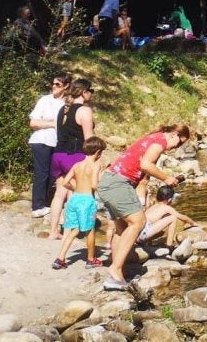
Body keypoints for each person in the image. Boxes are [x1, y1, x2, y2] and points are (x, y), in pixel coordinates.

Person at [95, 124, 189, 290]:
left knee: (121, 229)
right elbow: (146, 164)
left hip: (109, 181)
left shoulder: (153, 138)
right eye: (179, 143)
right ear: (174, 134)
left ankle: (117, 274)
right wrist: (166, 178)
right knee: (138, 222)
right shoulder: (159, 141)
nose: (176, 147)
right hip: (118, 183)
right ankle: (115, 269)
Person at [46, 78, 96, 240]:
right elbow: (89, 139)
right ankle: (69, 230)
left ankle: (54, 231)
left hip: (58, 154)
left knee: (60, 193)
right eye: (91, 91)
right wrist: (95, 160)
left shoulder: (63, 109)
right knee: (76, 192)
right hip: (75, 155)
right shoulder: (84, 111)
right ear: (83, 92)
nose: (92, 94)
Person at [52, 135, 106, 269]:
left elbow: (65, 182)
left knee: (74, 229)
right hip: (87, 201)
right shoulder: (96, 165)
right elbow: (94, 185)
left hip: (74, 199)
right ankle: (91, 259)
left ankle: (60, 258)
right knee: (90, 230)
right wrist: (102, 182)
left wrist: (76, 188)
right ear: (98, 152)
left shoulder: (77, 165)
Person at [27, 72, 70, 218]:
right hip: (41, 140)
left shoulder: (67, 104)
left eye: (57, 84)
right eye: (53, 83)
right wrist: (52, 123)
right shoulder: (45, 100)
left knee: (53, 174)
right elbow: (33, 123)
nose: (54, 87)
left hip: (56, 143)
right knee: (42, 173)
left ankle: (45, 203)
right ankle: (37, 206)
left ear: (66, 86)